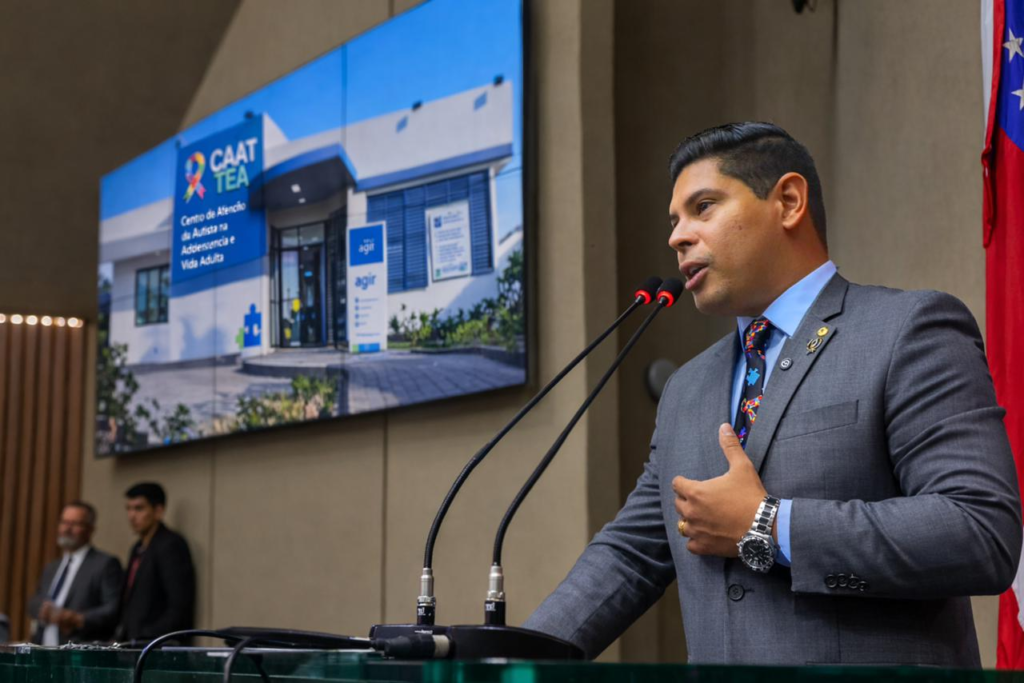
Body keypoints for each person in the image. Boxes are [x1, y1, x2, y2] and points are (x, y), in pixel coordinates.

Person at [523, 122, 1022, 667]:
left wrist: (768, 524)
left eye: (703, 207)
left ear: (788, 202)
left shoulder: (906, 330)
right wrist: (508, 662)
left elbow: (980, 532)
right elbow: (631, 556)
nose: (677, 237)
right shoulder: (687, 389)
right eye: (674, 220)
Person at [26, 501, 123, 645]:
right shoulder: (52, 567)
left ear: (90, 529)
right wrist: (42, 609)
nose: (67, 529)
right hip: (44, 648)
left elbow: (113, 610)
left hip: (79, 649)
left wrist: (76, 619)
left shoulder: (105, 564)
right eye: (64, 522)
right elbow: (34, 601)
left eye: (75, 524)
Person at [114, 482, 196, 643]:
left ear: (158, 511)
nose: (131, 515)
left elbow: (179, 606)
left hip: (157, 645)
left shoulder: (171, 545)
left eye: (139, 508)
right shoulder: (137, 547)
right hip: (133, 642)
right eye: (128, 509)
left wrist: (147, 636)